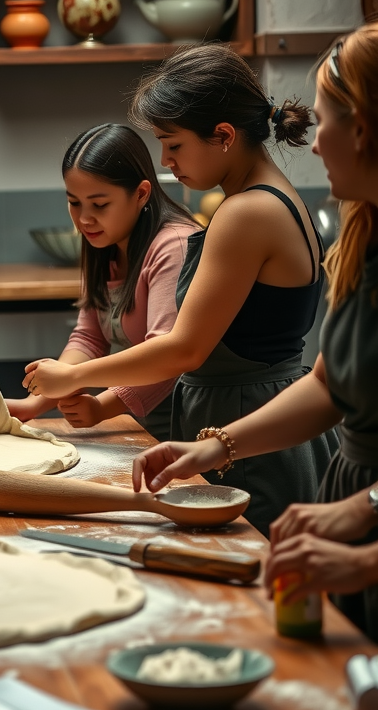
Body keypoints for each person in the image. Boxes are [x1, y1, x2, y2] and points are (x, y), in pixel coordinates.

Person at [25, 43, 338, 535]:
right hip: (246, 419)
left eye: (173, 145)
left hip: (247, 429)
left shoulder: (246, 212)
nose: (167, 162)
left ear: (223, 137)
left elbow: (184, 348)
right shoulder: (271, 200)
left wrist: (72, 379)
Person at [134, 24, 378, 640]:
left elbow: (186, 346)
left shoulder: (253, 209)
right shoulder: (364, 237)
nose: (313, 145)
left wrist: (365, 550)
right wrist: (216, 446)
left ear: (366, 129)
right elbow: (327, 385)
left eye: (325, 123)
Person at [6, 124, 197, 442]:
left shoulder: (173, 245)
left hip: (182, 424)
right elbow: (90, 338)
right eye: (74, 202)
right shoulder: (103, 242)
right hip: (137, 423)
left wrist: (102, 406)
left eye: (99, 204)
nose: (83, 219)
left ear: (141, 194)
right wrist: (34, 404)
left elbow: (166, 358)